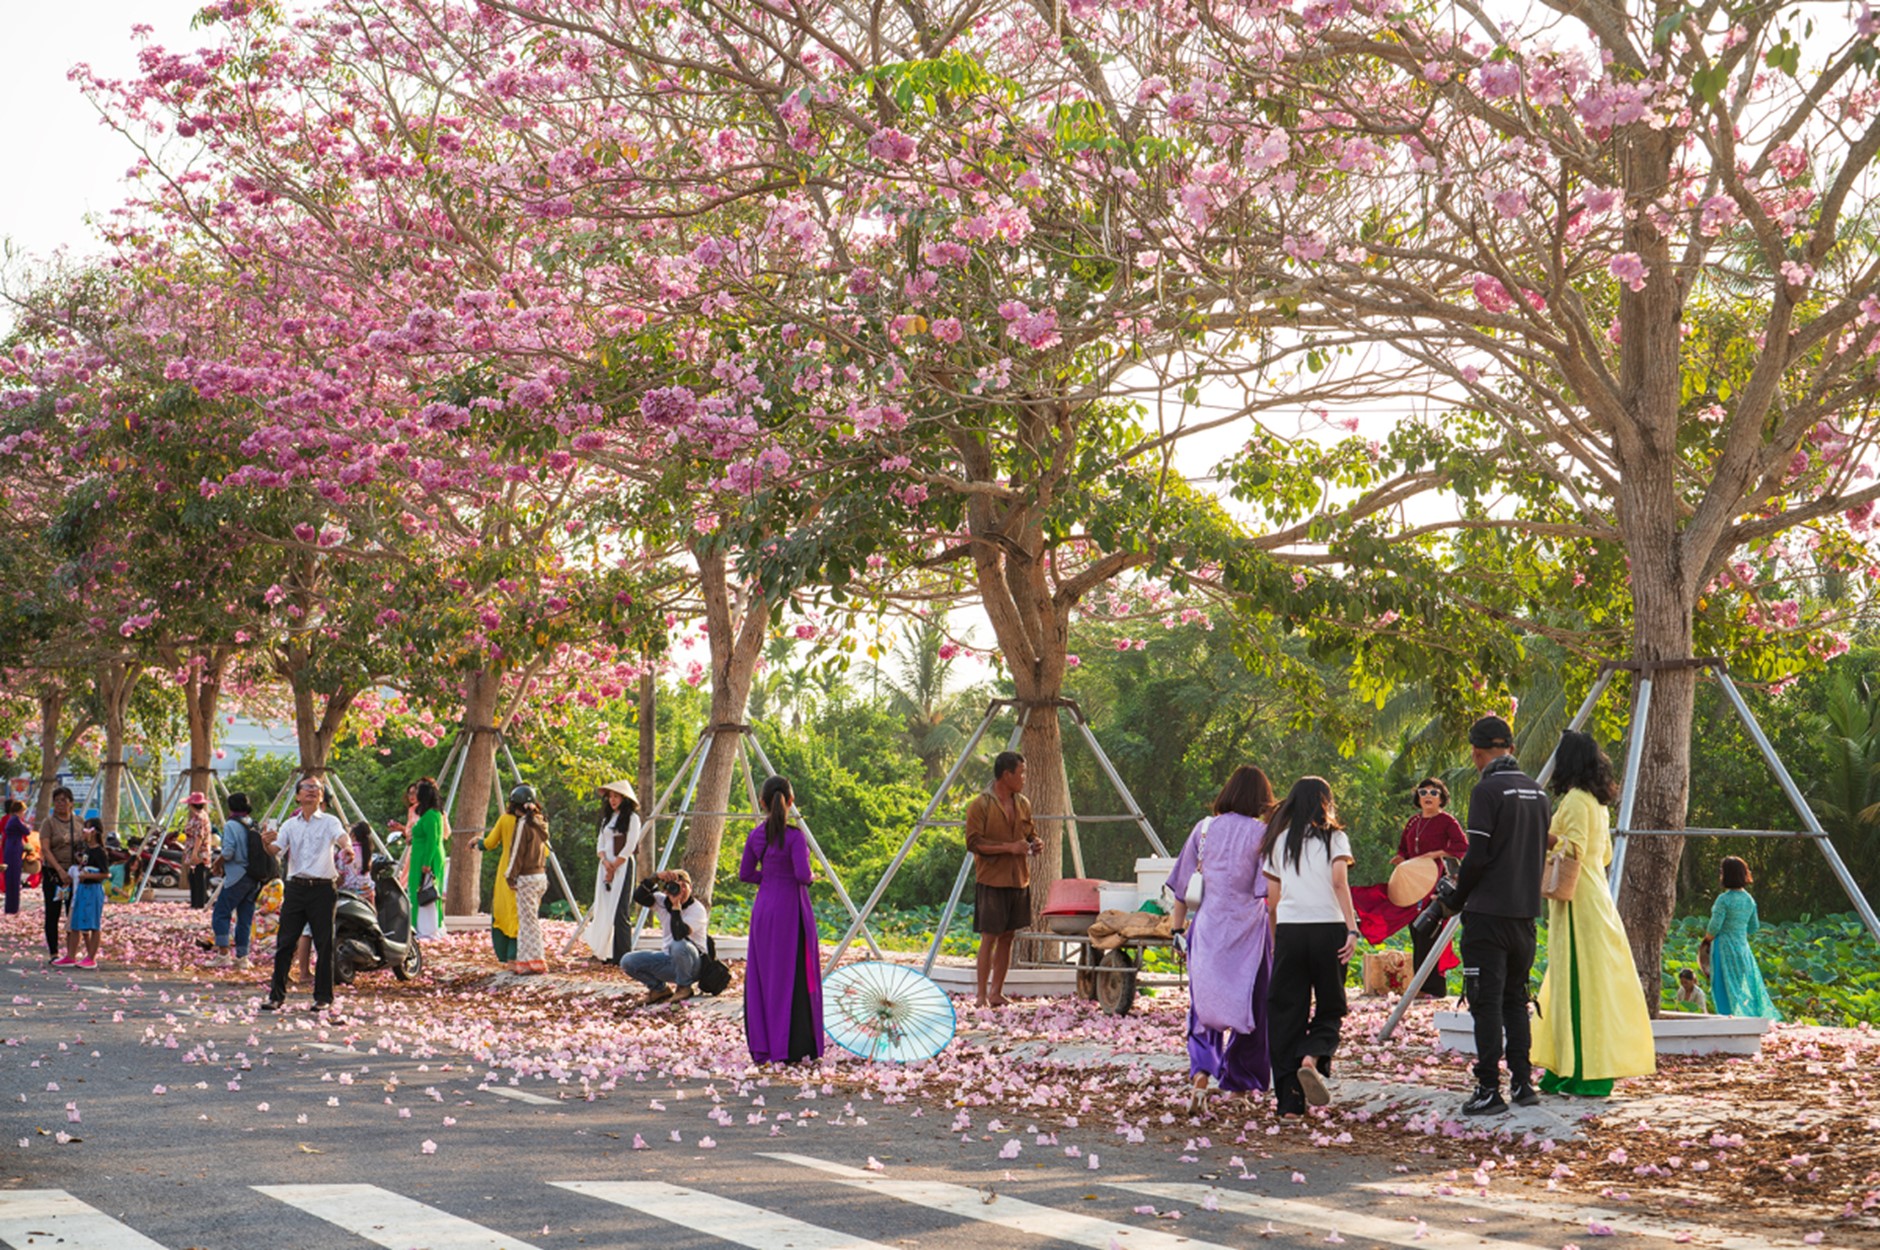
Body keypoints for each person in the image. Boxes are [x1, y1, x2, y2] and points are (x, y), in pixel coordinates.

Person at [1532, 731, 1655, 1097]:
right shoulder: (1597, 804)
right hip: (1595, 896)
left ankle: (1583, 1073)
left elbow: (1573, 849)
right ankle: (1567, 1068)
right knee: (1586, 983)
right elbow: (1603, 856)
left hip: (1577, 903)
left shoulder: (1574, 801)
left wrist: (1538, 833)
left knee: (1576, 983)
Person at [1439, 714, 1552, 1116]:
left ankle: (1488, 1088)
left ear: (1476, 753)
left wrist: (1456, 898)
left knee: (1485, 1003)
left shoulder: (1487, 790)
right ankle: (1522, 1083)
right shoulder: (1538, 793)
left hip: (1487, 915)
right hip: (1525, 916)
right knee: (1515, 1001)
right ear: (1512, 748)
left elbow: (1477, 856)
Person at [1166, 765, 1277, 1113]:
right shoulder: (1263, 834)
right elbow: (1265, 892)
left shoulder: (1203, 829)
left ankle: (1201, 1076)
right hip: (1249, 932)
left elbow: (1182, 886)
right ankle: (1239, 1088)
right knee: (1253, 1006)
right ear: (1261, 798)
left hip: (1208, 928)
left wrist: (1177, 931)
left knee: (1204, 1007)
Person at [1262, 776, 1358, 1115]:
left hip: (1290, 931)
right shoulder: (1336, 838)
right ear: (1325, 803)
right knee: (1331, 1005)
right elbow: (1339, 883)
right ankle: (1312, 1055)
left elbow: (1272, 903)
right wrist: (1352, 930)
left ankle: (1289, 1104)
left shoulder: (1280, 841)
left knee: (1286, 1012)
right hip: (1329, 929)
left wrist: (1277, 942)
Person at [739, 775, 824, 1064]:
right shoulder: (795, 837)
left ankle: (765, 1044)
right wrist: (810, 875)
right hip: (790, 909)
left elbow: (745, 874)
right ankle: (793, 1046)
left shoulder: (756, 835)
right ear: (791, 801)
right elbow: (802, 875)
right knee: (792, 973)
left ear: (762, 802)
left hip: (764, 909)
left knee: (765, 975)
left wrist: (769, 878)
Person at [263, 777, 353, 1015]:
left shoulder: (330, 821)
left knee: (324, 944)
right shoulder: (289, 825)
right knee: (285, 943)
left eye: (317, 788)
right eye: (307, 787)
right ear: (298, 796)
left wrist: (347, 848)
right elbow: (275, 850)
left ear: (322, 796)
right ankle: (276, 997)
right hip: (296, 888)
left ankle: (323, 998)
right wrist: (265, 843)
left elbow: (341, 837)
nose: (312, 791)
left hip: (322, 889)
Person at [964, 752, 1041, 1008]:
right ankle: (981, 995)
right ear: (1006, 775)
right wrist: (1009, 848)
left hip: (1018, 879)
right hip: (992, 880)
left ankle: (996, 992)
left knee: (1008, 936)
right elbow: (974, 843)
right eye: (1021, 773)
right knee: (989, 937)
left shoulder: (1023, 803)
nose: (1024, 778)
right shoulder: (981, 805)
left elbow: (1029, 833)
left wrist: (1035, 843)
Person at [1392, 777, 1470, 995]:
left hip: (1436, 882)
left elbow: (1462, 846)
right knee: (1416, 930)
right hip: (1413, 884)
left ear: (1441, 798)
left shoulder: (1447, 821)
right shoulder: (1413, 822)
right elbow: (1403, 848)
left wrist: (1436, 853)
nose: (1428, 796)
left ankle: (1432, 988)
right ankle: (1420, 986)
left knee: (1429, 930)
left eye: (1434, 793)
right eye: (1423, 792)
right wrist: (1400, 858)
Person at [1705, 856, 1780, 1019]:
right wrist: (1738, 932)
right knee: (1738, 986)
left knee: (1722, 985)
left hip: (1724, 947)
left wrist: (1706, 941)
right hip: (1742, 948)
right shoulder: (1749, 900)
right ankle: (1743, 1018)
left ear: (1726, 875)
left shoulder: (1724, 899)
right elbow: (1754, 927)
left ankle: (1727, 1018)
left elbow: (1714, 927)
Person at [621, 869, 709, 1005]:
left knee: (678, 945)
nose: (681, 890)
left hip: (693, 965)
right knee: (628, 961)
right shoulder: (663, 902)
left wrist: (676, 907)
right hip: (669, 960)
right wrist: (655, 877)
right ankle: (659, 990)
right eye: (675, 886)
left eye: (684, 886)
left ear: (691, 888)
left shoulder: (697, 909)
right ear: (666, 890)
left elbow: (678, 934)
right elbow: (639, 896)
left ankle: (684, 987)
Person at [581, 781, 643, 962]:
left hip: (622, 867)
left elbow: (630, 846)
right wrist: (605, 863)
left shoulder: (632, 818)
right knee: (604, 908)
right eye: (610, 797)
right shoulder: (607, 820)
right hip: (605, 867)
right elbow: (600, 845)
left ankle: (623, 955)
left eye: (616, 797)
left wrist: (614, 866)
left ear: (624, 798)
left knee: (620, 910)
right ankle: (604, 952)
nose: (613, 800)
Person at [481, 786, 533, 969]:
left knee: (504, 912)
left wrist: (476, 843)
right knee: (521, 915)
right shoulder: (538, 823)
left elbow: (489, 843)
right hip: (528, 873)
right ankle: (520, 956)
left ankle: (508, 956)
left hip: (507, 872)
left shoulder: (505, 820)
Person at [210, 792, 262, 967]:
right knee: (245, 918)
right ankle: (242, 957)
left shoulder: (232, 825)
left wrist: (218, 863)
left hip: (237, 876)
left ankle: (223, 954)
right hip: (254, 877)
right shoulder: (252, 823)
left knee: (221, 913)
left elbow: (228, 851)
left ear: (230, 807)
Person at [507, 798, 551, 976]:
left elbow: (517, 852)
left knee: (528, 922)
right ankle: (525, 962)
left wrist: (510, 876)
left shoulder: (524, 824)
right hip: (540, 876)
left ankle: (536, 961)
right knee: (528, 920)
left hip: (527, 877)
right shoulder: (541, 823)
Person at [58, 819, 110, 969]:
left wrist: (88, 876)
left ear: (94, 832)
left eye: (86, 830)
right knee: (75, 923)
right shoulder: (87, 850)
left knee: (93, 924)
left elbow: (105, 874)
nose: (83, 833)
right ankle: (71, 955)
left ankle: (91, 958)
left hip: (93, 890)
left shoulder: (100, 852)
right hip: (82, 889)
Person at [38, 787, 83, 959]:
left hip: (74, 874)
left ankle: (71, 952)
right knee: (53, 913)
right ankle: (54, 952)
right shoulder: (48, 823)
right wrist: (60, 871)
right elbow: (45, 849)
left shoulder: (79, 822)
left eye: (64, 800)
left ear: (71, 803)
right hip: (54, 874)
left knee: (73, 913)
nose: (60, 804)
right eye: (57, 800)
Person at [405, 779, 447, 939]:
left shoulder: (431, 816)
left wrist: (427, 863)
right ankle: (423, 926)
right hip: (421, 855)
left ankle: (426, 927)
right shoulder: (431, 814)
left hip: (426, 857)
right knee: (421, 890)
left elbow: (433, 840)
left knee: (425, 891)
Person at [182, 792, 215, 910]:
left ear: (191, 805)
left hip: (199, 851)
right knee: (193, 877)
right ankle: (195, 903)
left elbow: (199, 836)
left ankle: (199, 903)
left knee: (198, 877)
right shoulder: (199, 816)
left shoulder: (200, 818)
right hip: (196, 850)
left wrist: (195, 853)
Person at [2, 799, 30, 915]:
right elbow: (27, 831)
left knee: (11, 878)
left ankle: (11, 906)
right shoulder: (16, 820)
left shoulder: (11, 819)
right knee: (14, 877)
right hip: (14, 849)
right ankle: (13, 907)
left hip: (11, 847)